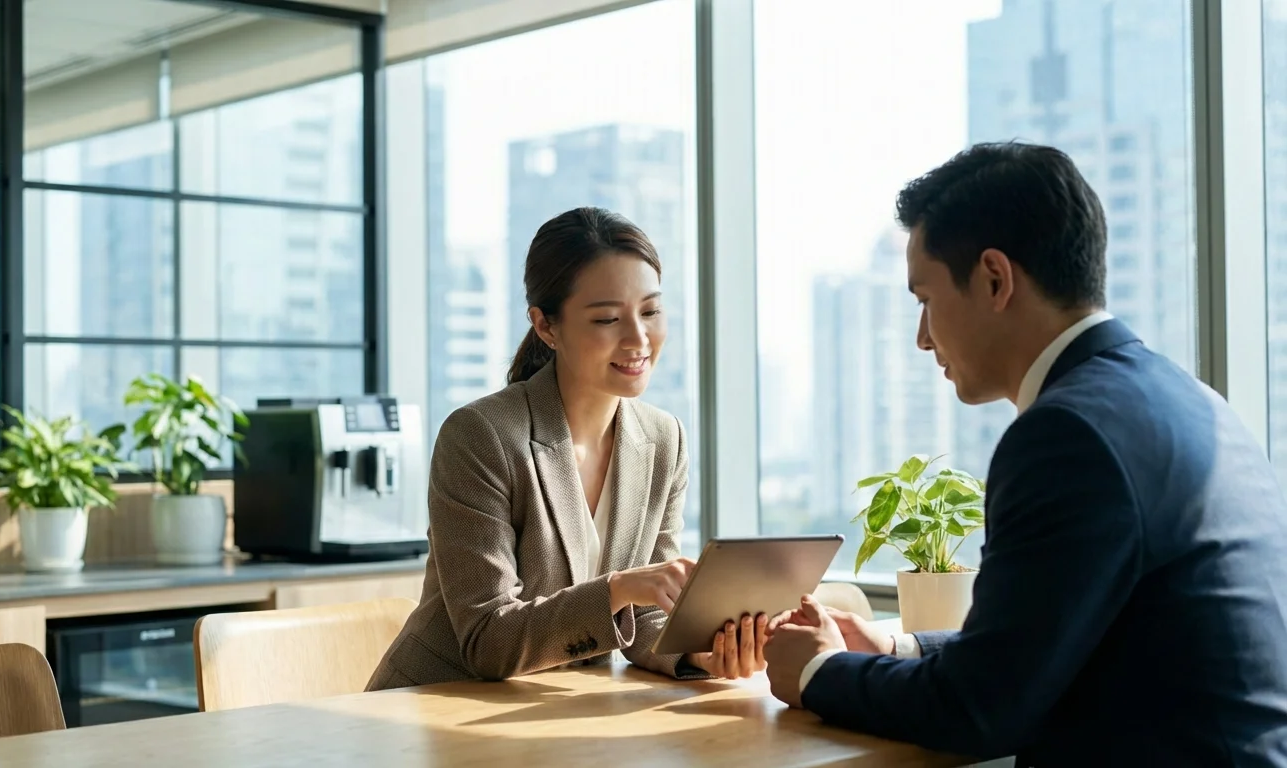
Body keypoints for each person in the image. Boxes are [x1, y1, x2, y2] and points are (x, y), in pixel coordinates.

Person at [764, 142, 1287, 765]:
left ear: (994, 278)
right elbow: (1049, 641)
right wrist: (892, 645)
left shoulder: (1067, 433)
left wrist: (818, 673)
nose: (922, 337)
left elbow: (978, 710)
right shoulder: (1186, 398)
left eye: (926, 299)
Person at [367, 206, 765, 691]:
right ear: (546, 326)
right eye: (606, 319)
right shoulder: (480, 435)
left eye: (651, 311)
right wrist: (618, 588)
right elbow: (488, 640)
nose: (638, 339)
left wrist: (702, 655)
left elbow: (645, 618)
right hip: (432, 706)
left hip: (556, 712)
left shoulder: (664, 439)